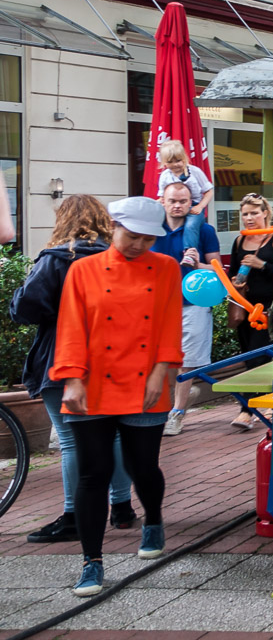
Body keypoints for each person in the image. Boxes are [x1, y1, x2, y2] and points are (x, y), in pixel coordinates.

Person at [52, 195, 184, 596]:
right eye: (132, 236)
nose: (139, 245)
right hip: (92, 382)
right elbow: (71, 327)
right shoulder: (83, 269)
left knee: (142, 466)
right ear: (113, 227)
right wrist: (72, 378)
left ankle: (154, 519)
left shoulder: (166, 268)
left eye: (148, 239)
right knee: (93, 474)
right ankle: (91, 561)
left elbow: (167, 322)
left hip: (146, 379)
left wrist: (161, 373)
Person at [11, 196, 136, 543]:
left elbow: (26, 307)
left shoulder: (56, 259)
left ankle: (73, 515)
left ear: (63, 221)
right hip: (112, 357)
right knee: (112, 434)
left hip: (62, 357)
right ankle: (122, 508)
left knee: (70, 441)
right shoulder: (117, 258)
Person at [148, 183, 221, 437]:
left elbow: (219, 270)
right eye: (173, 201)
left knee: (187, 361)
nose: (177, 205)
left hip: (194, 302)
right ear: (162, 201)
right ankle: (179, 397)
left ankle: (177, 413)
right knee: (162, 359)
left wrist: (197, 262)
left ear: (192, 203)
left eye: (183, 201)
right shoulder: (151, 230)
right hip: (158, 305)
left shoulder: (204, 230)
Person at [226, 194, 273, 431]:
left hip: (268, 309)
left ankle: (248, 409)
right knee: (248, 356)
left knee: (260, 355)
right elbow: (233, 273)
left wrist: (263, 265)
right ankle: (257, 404)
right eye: (245, 214)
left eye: (254, 213)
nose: (249, 218)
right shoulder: (239, 241)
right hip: (245, 306)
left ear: (265, 213)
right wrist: (235, 280)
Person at [155, 139, 213, 219]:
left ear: (184, 158)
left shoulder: (195, 171)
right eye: (170, 162)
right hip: (173, 209)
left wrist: (200, 206)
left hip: (193, 207)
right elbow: (162, 198)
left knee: (190, 226)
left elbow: (209, 191)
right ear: (164, 162)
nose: (175, 164)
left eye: (178, 160)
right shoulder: (165, 176)